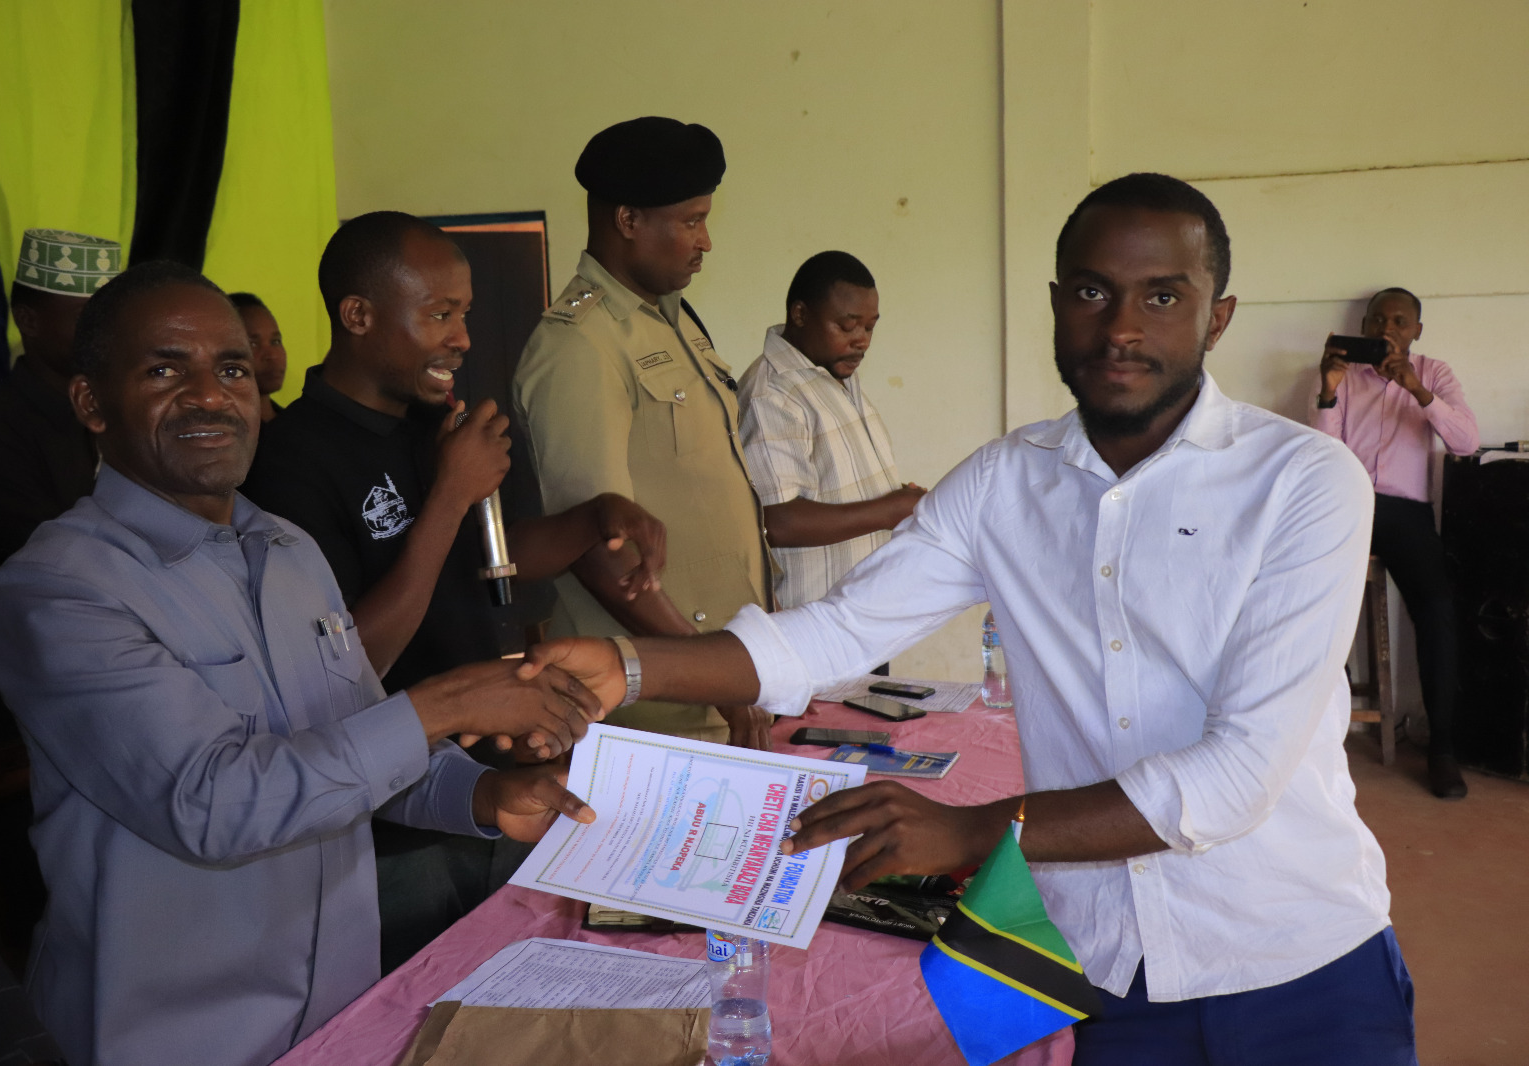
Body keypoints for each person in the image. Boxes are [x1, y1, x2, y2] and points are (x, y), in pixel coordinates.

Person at [527, 173, 1416, 1066]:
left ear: (1216, 318)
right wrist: (628, 665)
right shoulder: (1004, 481)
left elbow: (1233, 779)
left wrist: (966, 830)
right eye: (1093, 292)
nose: (1121, 329)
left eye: (1162, 296)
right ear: (1057, 302)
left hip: (1298, 961)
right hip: (1101, 968)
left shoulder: (1303, 481)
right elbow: (835, 633)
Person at [0, 260, 601, 1066]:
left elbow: (353, 744)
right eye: (166, 369)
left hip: (341, 1014)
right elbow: (214, 803)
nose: (210, 395)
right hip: (177, 1036)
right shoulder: (59, 590)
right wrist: (444, 704)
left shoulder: (287, 549)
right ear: (92, 404)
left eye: (231, 368)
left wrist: (482, 794)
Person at [243, 211, 665, 970]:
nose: (462, 338)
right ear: (359, 315)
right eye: (440, 314)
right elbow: (347, 658)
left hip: (494, 785)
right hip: (386, 820)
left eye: (463, 314)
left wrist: (592, 520)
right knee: (407, 1013)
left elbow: (495, 562)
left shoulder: (434, 426)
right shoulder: (290, 459)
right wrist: (446, 495)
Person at [514, 116, 774, 748]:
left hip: (720, 684)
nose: (706, 240)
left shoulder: (674, 324)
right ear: (628, 220)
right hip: (653, 710)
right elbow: (598, 547)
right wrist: (713, 676)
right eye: (690, 221)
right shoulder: (581, 344)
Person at [1313, 288, 1478, 798]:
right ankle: (1319, 735)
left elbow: (1467, 443)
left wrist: (1416, 390)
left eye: (1400, 321)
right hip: (1347, 502)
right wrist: (1327, 390)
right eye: (1378, 319)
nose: (1388, 328)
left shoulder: (1433, 372)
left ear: (1416, 332)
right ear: (1362, 326)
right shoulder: (1344, 374)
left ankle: (1442, 748)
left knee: (1437, 608)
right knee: (1315, 601)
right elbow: (1322, 454)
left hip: (1406, 513)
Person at [0, 228, 120, 635]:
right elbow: (52, 563)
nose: (103, 334)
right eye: (85, 319)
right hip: (33, 655)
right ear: (28, 319)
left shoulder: (117, 409)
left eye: (109, 319)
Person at [738, 250, 924, 609]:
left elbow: (833, 484)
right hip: (816, 624)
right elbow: (778, 520)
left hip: (867, 608)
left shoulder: (836, 376)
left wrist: (895, 495)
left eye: (870, 327)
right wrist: (889, 509)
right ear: (800, 314)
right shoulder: (774, 393)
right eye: (847, 325)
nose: (862, 340)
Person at [228, 291, 289, 419]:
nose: (271, 355)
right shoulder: (224, 432)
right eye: (253, 344)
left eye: (275, 341)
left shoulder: (299, 427)